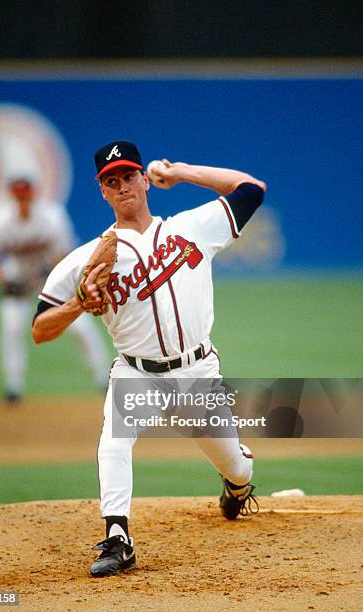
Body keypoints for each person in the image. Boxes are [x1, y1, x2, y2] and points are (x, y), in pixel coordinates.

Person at [32, 141, 267, 577]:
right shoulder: (84, 259)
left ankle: (236, 486)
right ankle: (118, 538)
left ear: (144, 180)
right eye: (111, 181)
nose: (121, 186)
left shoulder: (191, 227)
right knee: (113, 442)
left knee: (235, 467)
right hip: (136, 374)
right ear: (102, 191)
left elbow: (251, 189)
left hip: (198, 371)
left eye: (128, 176)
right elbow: (40, 329)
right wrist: (78, 305)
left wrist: (182, 171)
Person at [0, 177, 109, 403]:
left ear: (33, 195)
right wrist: (4, 282)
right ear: (13, 197)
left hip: (50, 282)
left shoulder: (52, 216)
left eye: (25, 195)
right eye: (18, 196)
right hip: (17, 284)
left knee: (81, 328)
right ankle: (13, 386)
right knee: (12, 328)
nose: (22, 200)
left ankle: (104, 379)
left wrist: (48, 273)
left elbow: (64, 253)